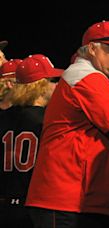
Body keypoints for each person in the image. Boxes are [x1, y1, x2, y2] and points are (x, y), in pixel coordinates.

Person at [25, 21, 109, 228]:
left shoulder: (88, 76)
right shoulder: (87, 77)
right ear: (92, 48)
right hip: (67, 200)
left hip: (77, 199)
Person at [0, 54, 63, 228]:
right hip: (35, 207)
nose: (57, 85)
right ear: (40, 86)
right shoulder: (49, 120)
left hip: (5, 204)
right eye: (52, 80)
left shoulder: (3, 117)